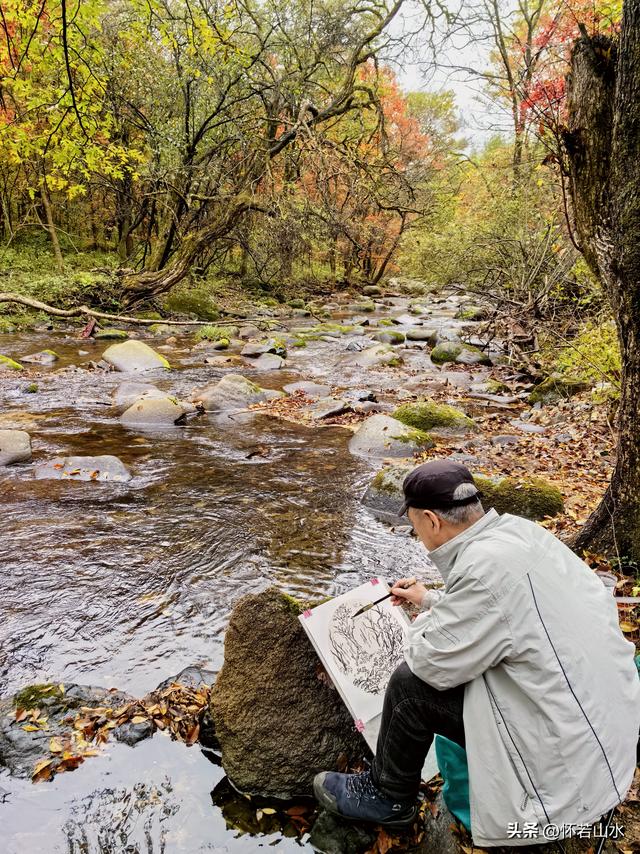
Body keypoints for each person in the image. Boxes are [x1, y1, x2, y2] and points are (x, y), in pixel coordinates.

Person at [313, 460, 640, 847]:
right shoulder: (522, 534)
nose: (415, 532)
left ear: (432, 521)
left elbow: (429, 661)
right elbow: (502, 611)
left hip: (561, 772)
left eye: (414, 523)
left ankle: (388, 798)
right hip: (605, 739)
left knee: (408, 686)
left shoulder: (484, 570)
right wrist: (431, 600)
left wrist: (423, 620)